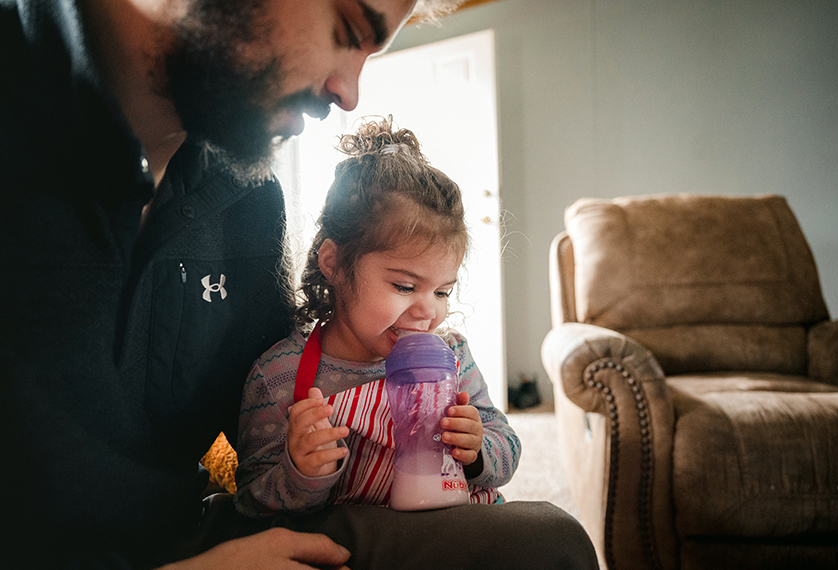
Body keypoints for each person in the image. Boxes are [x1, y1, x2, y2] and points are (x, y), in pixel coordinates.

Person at [0, 0, 600, 568]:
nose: (348, 93)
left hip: (190, 531)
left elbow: (254, 456)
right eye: (345, 26)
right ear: (335, 264)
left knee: (547, 544)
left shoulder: (249, 195)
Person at [235, 118, 518, 517]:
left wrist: (477, 450)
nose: (428, 311)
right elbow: (250, 505)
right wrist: (300, 471)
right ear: (334, 263)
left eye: (442, 292)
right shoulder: (279, 374)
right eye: (404, 287)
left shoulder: (452, 357)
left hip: (455, 533)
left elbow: (506, 446)